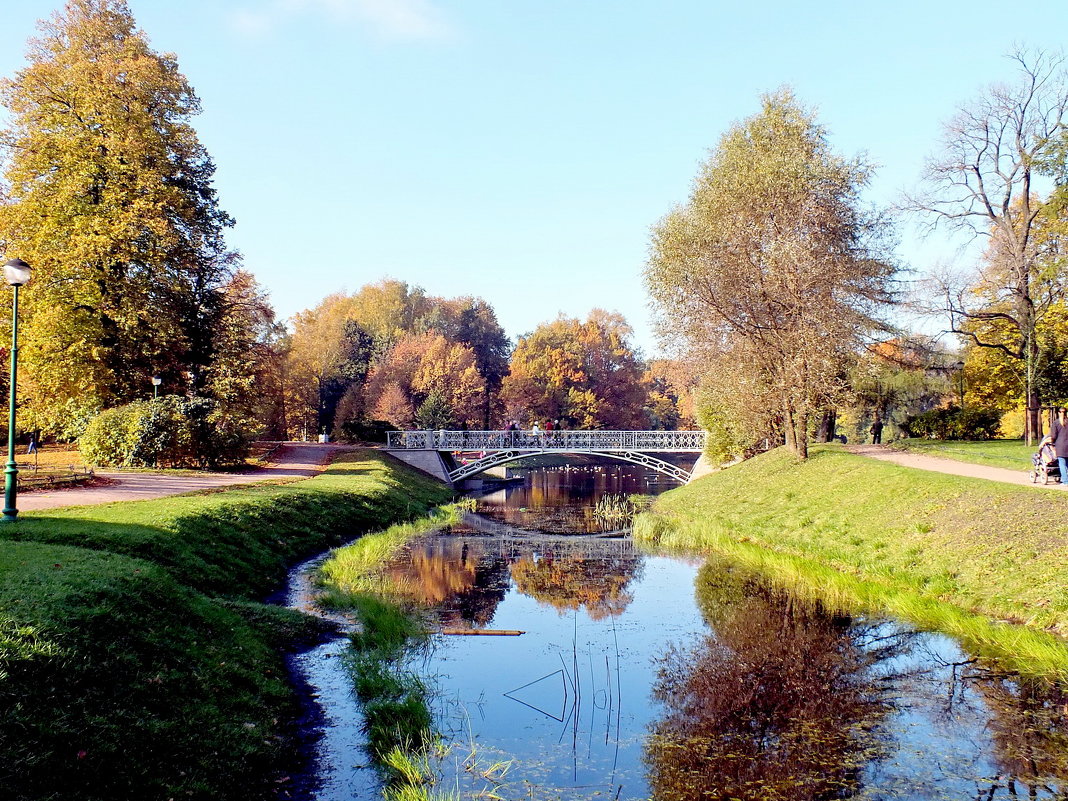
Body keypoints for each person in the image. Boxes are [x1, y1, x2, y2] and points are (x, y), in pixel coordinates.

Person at [1043, 408, 1068, 486]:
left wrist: (1050, 442)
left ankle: (1065, 481)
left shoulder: (1056, 423)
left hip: (1061, 446)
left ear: (1058, 413)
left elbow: (1053, 436)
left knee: (1062, 464)